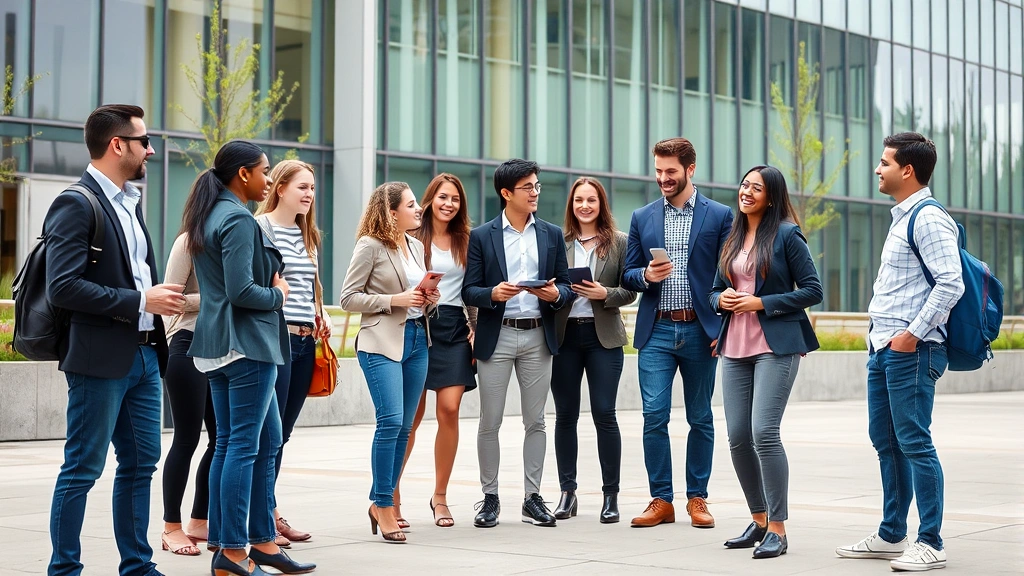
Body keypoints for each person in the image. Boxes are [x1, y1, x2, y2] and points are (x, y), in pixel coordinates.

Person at [44, 104, 185, 576]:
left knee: (141, 463)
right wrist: (140, 300)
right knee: (83, 468)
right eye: (143, 141)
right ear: (117, 145)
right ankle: (64, 570)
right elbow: (62, 287)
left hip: (145, 357)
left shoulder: (129, 202)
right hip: (100, 359)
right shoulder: (76, 202)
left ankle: (137, 566)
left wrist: (153, 304)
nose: (150, 149)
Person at [184, 140, 315, 575]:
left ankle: (257, 543)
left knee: (253, 443)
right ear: (243, 174)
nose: (268, 178)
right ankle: (233, 552)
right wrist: (278, 294)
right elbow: (243, 292)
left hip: (220, 346)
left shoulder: (211, 213)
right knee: (243, 446)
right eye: (264, 171)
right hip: (247, 347)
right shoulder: (238, 218)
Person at [836, 133, 964, 572]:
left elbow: (951, 281)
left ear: (907, 170)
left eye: (884, 162)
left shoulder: (928, 218)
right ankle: (893, 533)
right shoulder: (902, 217)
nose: (878, 169)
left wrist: (911, 333)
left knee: (914, 443)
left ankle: (931, 540)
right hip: (885, 347)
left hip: (911, 349)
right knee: (886, 442)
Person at [709, 166, 823, 559]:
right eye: (744, 184)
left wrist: (762, 303)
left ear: (771, 197)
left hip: (776, 345)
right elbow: (714, 288)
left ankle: (778, 527)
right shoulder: (733, 234)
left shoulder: (788, 235)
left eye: (756, 188)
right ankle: (758, 520)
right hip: (735, 345)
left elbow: (813, 290)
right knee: (738, 436)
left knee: (764, 433)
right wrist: (719, 299)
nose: (747, 192)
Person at [621, 137, 733, 529]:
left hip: (702, 331)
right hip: (657, 330)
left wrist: (725, 327)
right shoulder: (643, 216)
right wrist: (645, 275)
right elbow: (628, 272)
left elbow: (730, 276)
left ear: (690, 169)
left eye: (670, 171)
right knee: (654, 416)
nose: (663, 178)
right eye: (658, 171)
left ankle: (698, 499)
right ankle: (661, 500)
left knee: (701, 417)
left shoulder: (720, 216)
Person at [462, 159, 574, 529]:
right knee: (489, 421)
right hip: (498, 335)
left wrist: (556, 293)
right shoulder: (482, 236)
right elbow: (469, 290)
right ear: (506, 193)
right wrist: (492, 293)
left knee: (536, 421)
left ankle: (532, 498)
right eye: (528, 187)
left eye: (537, 186)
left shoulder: (552, 234)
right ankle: (490, 497)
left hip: (538, 336)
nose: (536, 193)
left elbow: (568, 288)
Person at [340, 182, 439, 544]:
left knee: (405, 428)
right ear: (392, 211)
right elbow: (349, 297)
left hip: (417, 340)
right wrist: (395, 299)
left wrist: (429, 297)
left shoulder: (414, 245)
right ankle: (383, 503)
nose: (419, 210)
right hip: (380, 343)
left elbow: (416, 298)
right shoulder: (370, 246)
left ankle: (383, 501)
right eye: (412, 205)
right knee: (391, 421)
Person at [392, 173, 478, 529]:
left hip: (456, 329)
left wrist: (476, 329)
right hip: (419, 326)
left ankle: (439, 497)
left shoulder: (467, 241)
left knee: (450, 409)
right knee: (410, 416)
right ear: (429, 199)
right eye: (443, 197)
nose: (449, 204)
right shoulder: (411, 237)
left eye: (455, 199)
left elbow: (472, 289)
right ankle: (390, 495)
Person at [550, 177, 636, 524]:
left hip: (604, 339)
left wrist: (605, 294)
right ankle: (567, 493)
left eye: (592, 200)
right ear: (571, 205)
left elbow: (630, 290)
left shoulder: (619, 243)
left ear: (601, 204)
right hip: (564, 337)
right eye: (578, 200)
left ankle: (610, 496)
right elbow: (550, 285)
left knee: (604, 414)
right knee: (565, 416)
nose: (585, 206)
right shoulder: (558, 241)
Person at [255, 159, 329, 544]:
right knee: (267, 434)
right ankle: (263, 518)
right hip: (275, 338)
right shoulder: (261, 228)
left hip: (305, 340)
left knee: (282, 435)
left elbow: (308, 287)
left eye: (313, 188)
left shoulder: (307, 234)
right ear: (279, 188)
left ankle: (269, 509)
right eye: (302, 187)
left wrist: (320, 314)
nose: (309, 194)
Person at [160, 232, 214, 557]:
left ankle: (198, 520)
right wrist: (216, 296)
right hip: (187, 342)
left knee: (222, 439)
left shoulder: (235, 242)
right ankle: (171, 527)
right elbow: (171, 299)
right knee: (186, 437)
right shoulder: (188, 242)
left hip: (223, 347)